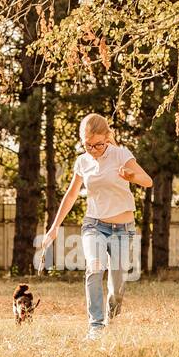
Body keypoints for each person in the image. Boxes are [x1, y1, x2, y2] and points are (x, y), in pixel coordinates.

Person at [42, 113, 153, 340]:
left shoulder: (121, 155)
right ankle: (96, 325)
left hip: (123, 229)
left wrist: (131, 176)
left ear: (107, 137)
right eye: (87, 145)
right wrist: (54, 228)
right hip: (94, 225)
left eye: (98, 144)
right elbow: (72, 194)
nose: (93, 149)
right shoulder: (82, 161)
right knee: (94, 267)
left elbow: (147, 180)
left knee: (117, 286)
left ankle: (112, 317)